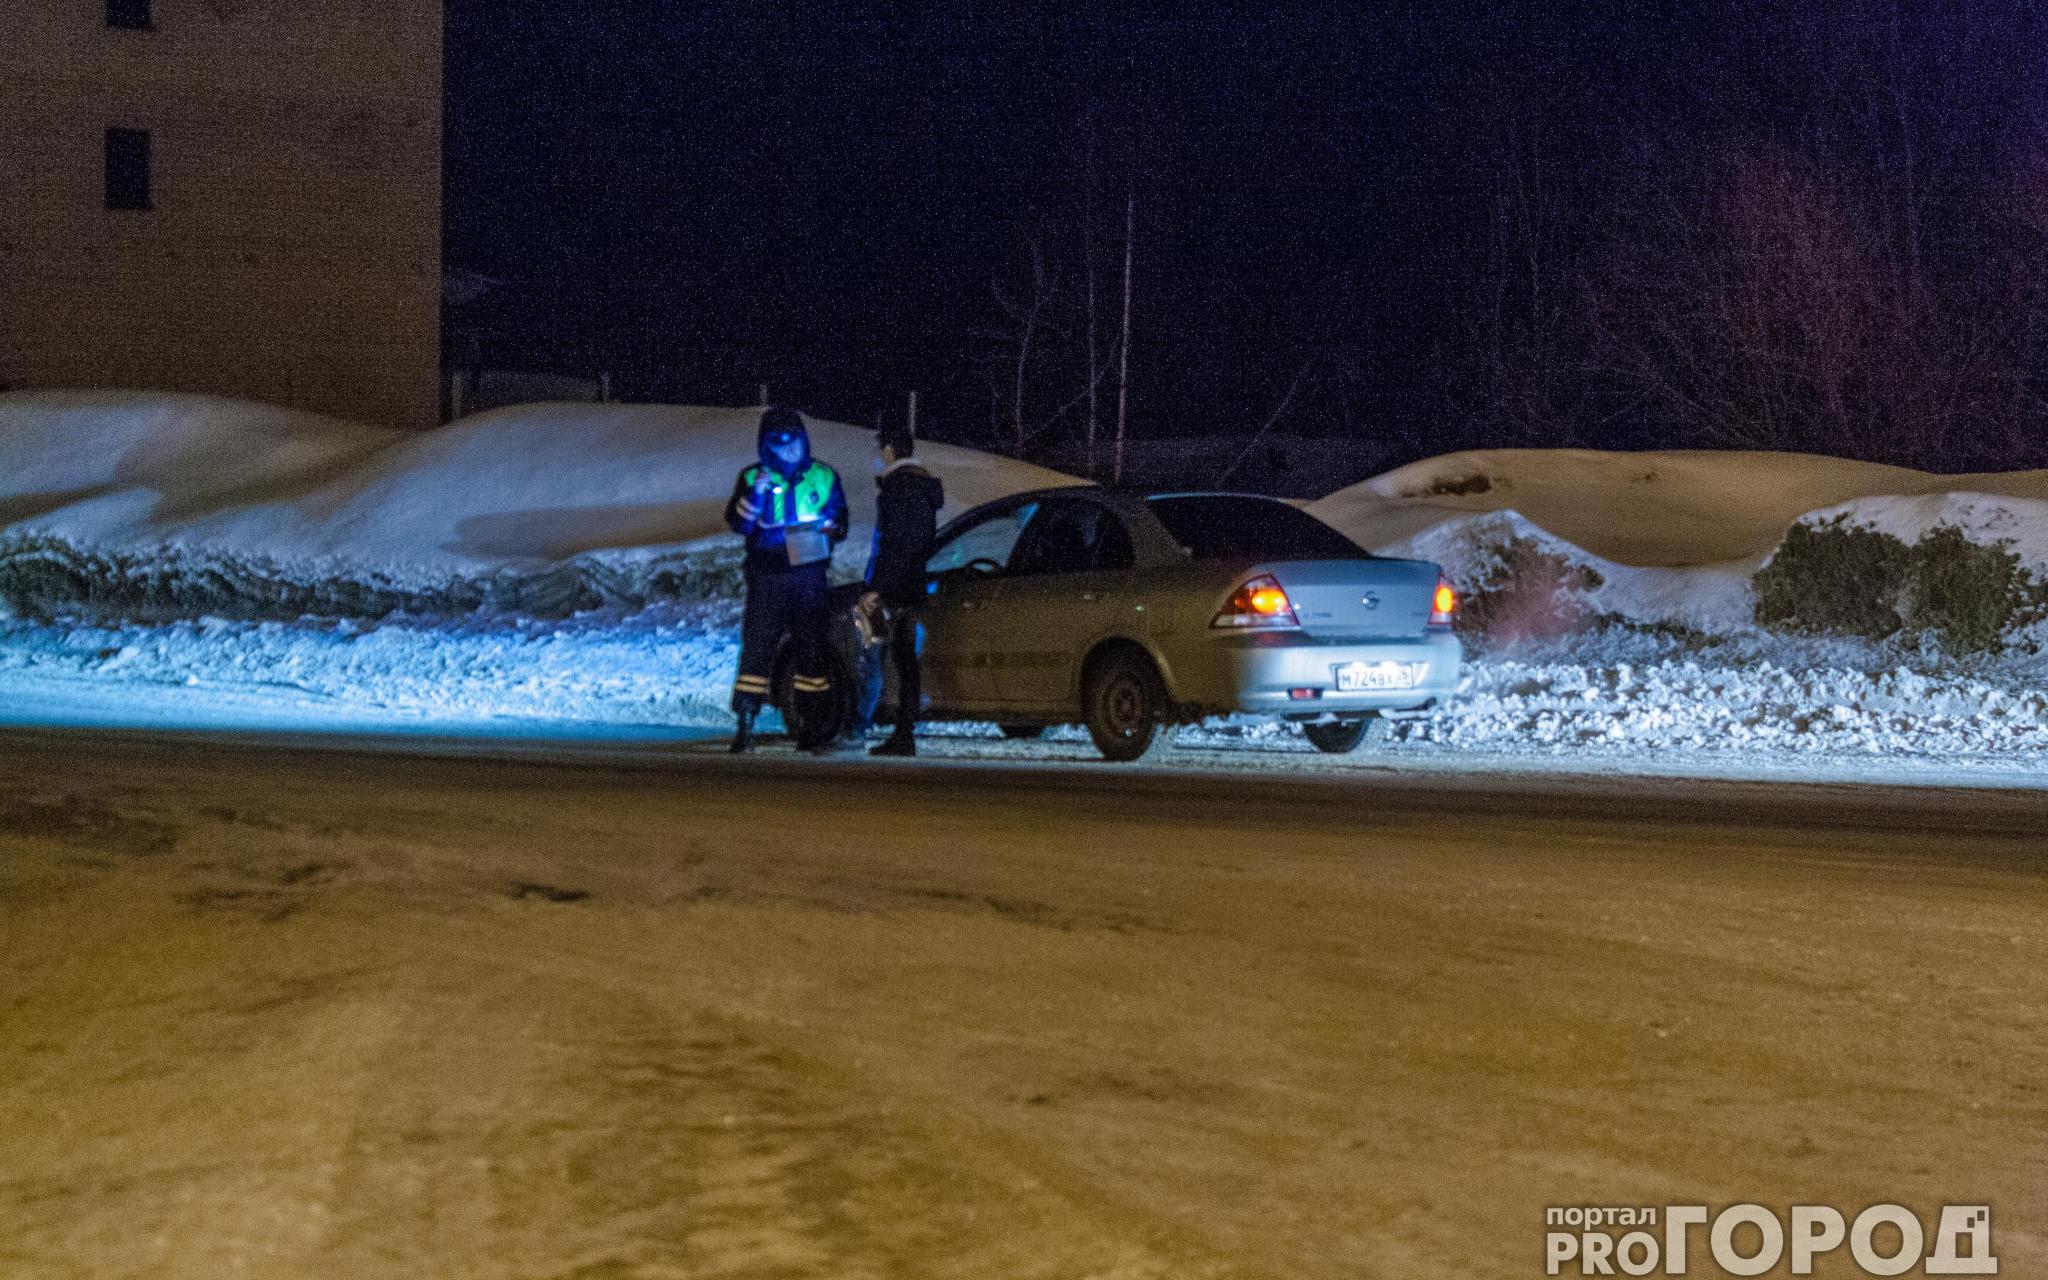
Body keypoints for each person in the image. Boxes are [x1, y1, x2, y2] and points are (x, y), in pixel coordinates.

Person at [723, 406, 848, 753]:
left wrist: (831, 528)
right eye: (779, 444)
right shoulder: (753, 477)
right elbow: (739, 524)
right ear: (767, 446)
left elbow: (841, 521)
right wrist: (756, 494)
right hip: (768, 576)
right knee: (758, 648)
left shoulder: (822, 476)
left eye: (793, 442)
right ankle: (745, 721)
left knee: (811, 649)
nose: (788, 449)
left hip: (809, 576)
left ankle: (812, 724)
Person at [858, 418, 944, 756]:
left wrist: (876, 588)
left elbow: (893, 543)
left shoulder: (899, 488)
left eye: (879, 451)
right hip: (913, 583)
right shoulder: (920, 487)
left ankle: (887, 729)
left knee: (890, 657)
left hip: (896, 588)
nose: (877, 457)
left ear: (890, 451)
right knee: (905, 660)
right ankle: (902, 731)